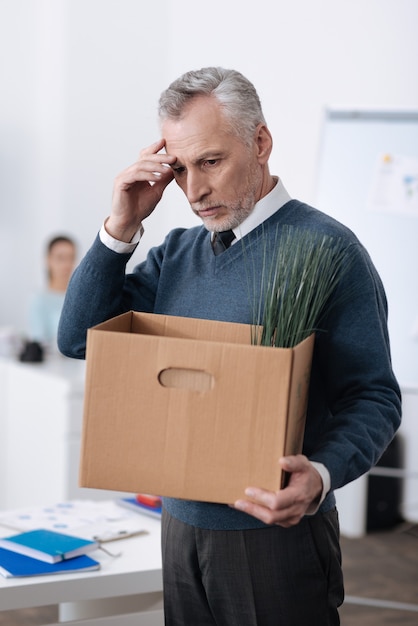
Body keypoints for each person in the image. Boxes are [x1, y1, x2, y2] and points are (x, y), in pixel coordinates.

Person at [58, 67, 401, 625]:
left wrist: (321, 473)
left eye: (211, 162)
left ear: (260, 143)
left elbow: (374, 397)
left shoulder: (329, 250)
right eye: (181, 167)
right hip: (180, 529)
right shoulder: (177, 252)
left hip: (274, 537)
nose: (194, 190)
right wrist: (120, 227)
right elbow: (78, 339)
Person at [28, 235, 77, 351]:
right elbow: (38, 341)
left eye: (71, 258)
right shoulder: (38, 299)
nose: (67, 264)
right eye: (60, 258)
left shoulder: (80, 297)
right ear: (48, 260)